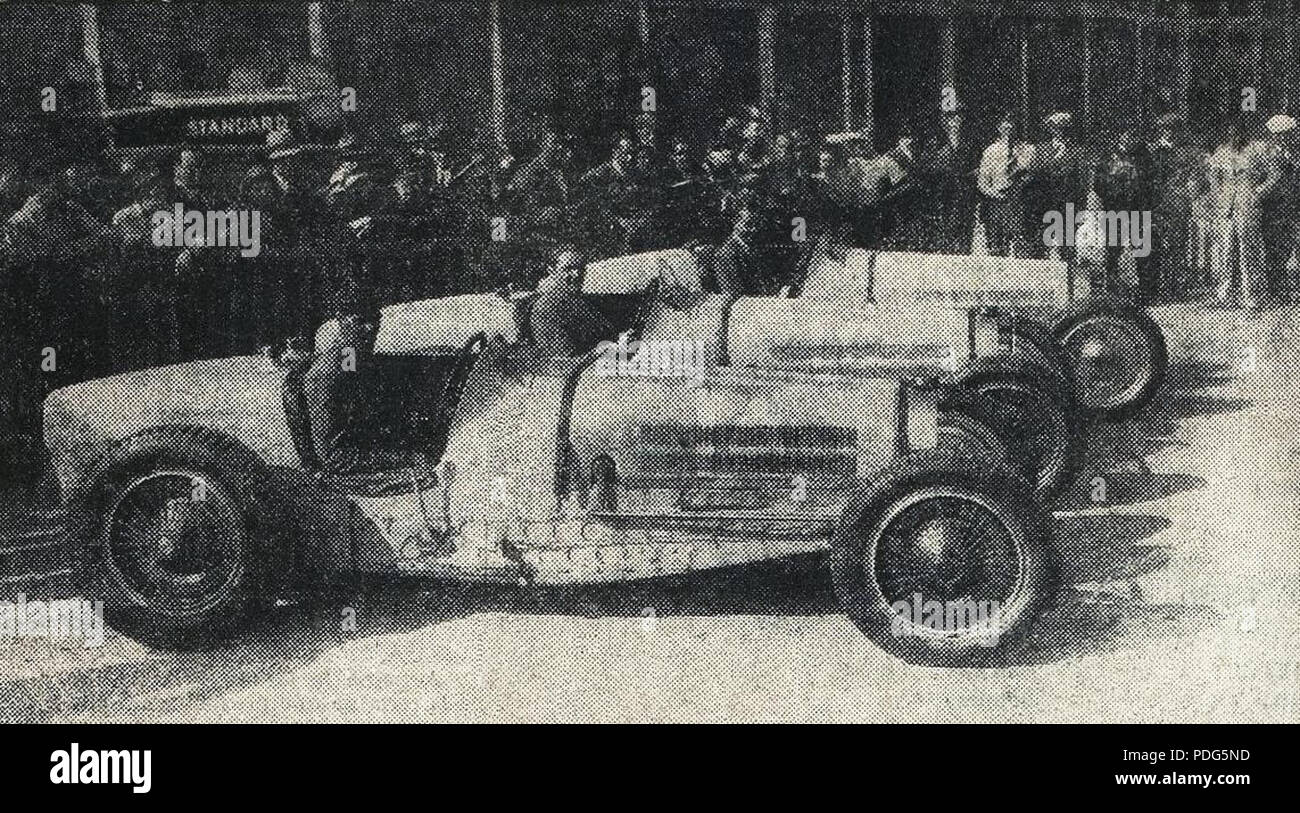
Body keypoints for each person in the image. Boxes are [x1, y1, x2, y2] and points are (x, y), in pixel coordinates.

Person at [1206, 116, 1278, 310]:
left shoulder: (1258, 150)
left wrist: (1258, 192)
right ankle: (1224, 293)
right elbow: (1212, 175)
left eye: (1238, 132)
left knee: (1249, 251)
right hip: (1226, 207)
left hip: (1248, 205)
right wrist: (1218, 194)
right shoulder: (1221, 152)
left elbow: (1274, 175)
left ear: (1244, 133)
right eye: (1230, 133)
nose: (1234, 136)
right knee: (1226, 250)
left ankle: (1250, 295)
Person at [1095, 127, 1155, 299]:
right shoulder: (1108, 159)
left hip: (1138, 209)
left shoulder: (1143, 158)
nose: (1128, 139)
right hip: (1115, 209)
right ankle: (1112, 290)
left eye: (1132, 136)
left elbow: (1151, 182)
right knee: (1113, 250)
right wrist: (1115, 190)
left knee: (1141, 250)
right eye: (1125, 136)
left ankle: (1144, 291)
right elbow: (1098, 184)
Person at [1147, 113, 1203, 299]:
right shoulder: (1153, 151)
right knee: (1154, 242)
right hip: (1156, 203)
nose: (1168, 133)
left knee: (1177, 244)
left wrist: (1189, 192)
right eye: (1164, 129)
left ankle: (1175, 284)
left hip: (1178, 203)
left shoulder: (1188, 152)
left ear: (1178, 131)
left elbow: (1198, 178)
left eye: (1172, 129)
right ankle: (1156, 285)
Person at [530, 247, 615, 357]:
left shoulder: (586, 303)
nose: (577, 274)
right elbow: (566, 358)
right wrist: (609, 350)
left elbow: (608, 334)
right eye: (568, 269)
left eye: (581, 268)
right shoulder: (545, 309)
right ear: (552, 271)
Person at [1026, 111, 1086, 259]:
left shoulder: (1077, 152)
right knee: (1039, 248)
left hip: (1067, 208)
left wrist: (1081, 208)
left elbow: (1081, 183)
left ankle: (1068, 280)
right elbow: (1033, 175)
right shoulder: (1041, 150)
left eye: (1063, 128)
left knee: (1067, 247)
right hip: (1044, 206)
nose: (1059, 132)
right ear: (1050, 129)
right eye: (1055, 127)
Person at [918, 106, 978, 253]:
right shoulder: (934, 143)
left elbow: (977, 166)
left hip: (964, 192)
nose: (954, 122)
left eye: (957, 118)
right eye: (950, 118)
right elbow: (925, 168)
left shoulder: (970, 142)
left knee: (963, 227)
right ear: (945, 122)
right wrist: (942, 170)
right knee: (944, 228)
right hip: (942, 193)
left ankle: (963, 253)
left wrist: (971, 176)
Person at [976, 113, 1035, 256]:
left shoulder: (1027, 150)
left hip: (1018, 205)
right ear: (998, 127)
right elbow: (982, 182)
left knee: (1022, 249)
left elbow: (1031, 175)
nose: (1008, 126)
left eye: (1011, 123)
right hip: (997, 204)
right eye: (1004, 122)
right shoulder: (990, 151)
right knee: (997, 250)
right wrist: (994, 193)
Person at [1259, 114, 1300, 300]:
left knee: (1290, 246)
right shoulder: (1265, 153)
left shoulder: (1294, 153)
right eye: (1279, 134)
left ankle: (1286, 287)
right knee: (1273, 247)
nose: (1283, 137)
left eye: (1287, 134)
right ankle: (1275, 289)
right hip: (1273, 207)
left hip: (1292, 206)